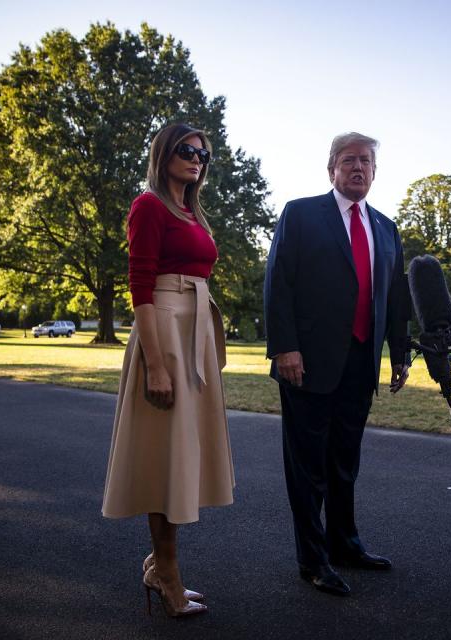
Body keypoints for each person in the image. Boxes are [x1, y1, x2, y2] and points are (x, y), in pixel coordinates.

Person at [263, 132, 410, 597]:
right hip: (305, 364)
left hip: (360, 363)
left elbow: (395, 298)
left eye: (366, 161)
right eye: (349, 160)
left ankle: (345, 544)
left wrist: (401, 354)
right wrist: (285, 347)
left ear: (374, 171)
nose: (358, 168)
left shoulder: (386, 228)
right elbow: (278, 283)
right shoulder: (301, 214)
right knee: (308, 468)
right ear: (332, 170)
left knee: (344, 463)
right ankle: (313, 560)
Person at [102, 123, 234, 618]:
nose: (197, 158)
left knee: (180, 456)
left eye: (204, 153)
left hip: (192, 337)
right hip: (164, 335)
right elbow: (139, 285)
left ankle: (163, 566)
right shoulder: (149, 205)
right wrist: (155, 364)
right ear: (163, 153)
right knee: (165, 457)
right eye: (187, 150)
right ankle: (167, 574)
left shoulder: (192, 213)